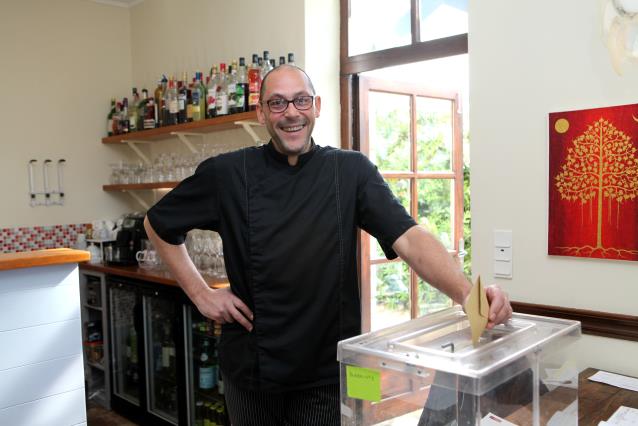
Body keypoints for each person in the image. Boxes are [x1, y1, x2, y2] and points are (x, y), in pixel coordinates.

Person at [144, 64, 512, 425]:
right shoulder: (227, 173)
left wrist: (468, 294)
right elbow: (158, 222)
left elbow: (410, 237)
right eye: (277, 103)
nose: (291, 113)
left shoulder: (350, 171)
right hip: (253, 369)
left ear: (316, 107)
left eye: (301, 101)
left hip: (326, 369)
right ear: (261, 113)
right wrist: (200, 293)